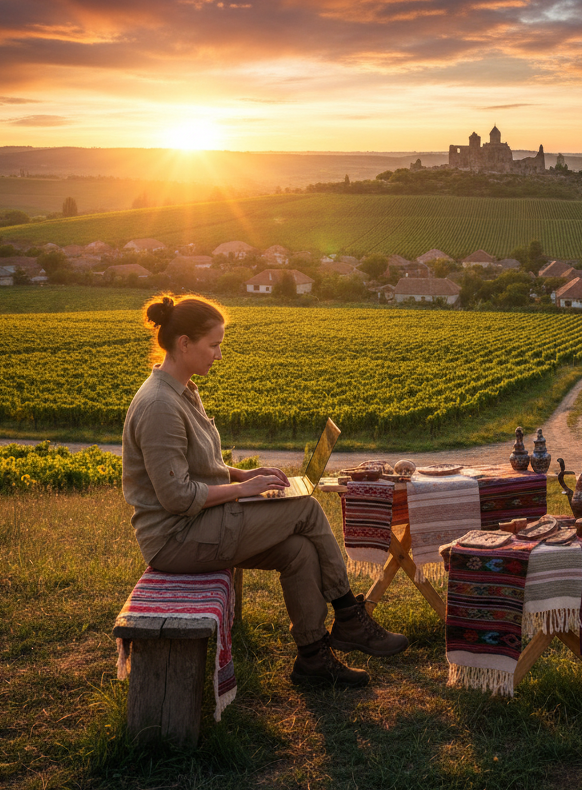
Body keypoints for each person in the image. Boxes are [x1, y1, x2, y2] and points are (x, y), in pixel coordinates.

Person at [122, 293, 408, 687]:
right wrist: (246, 490)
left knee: (299, 550)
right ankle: (348, 615)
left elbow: (197, 467)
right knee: (305, 510)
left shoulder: (182, 391)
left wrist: (240, 475)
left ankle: (312, 659)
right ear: (184, 343)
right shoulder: (160, 406)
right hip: (176, 539)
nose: (219, 355)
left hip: (199, 527)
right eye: (214, 345)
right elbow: (178, 497)